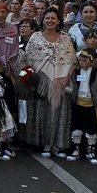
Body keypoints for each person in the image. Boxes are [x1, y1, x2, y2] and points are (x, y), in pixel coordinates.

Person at [23, 9, 77, 158]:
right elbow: (28, 60)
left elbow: (71, 60)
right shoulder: (35, 37)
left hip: (61, 82)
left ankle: (57, 145)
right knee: (43, 114)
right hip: (41, 82)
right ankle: (45, 144)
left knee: (60, 114)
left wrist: (67, 77)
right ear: (43, 20)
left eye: (53, 18)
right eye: (47, 18)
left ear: (59, 21)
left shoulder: (66, 38)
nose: (50, 21)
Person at [67, 48, 97, 164]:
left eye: (85, 60)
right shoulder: (76, 71)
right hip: (79, 103)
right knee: (77, 128)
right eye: (80, 60)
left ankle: (91, 151)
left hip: (91, 104)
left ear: (92, 61)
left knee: (92, 129)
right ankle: (76, 150)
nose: (82, 63)